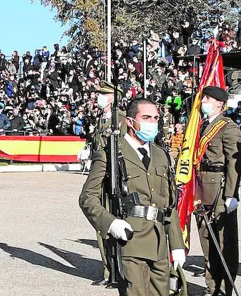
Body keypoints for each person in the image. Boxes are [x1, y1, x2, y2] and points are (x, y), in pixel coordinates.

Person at [78, 98, 185, 296]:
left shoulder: (162, 155)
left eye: (155, 118)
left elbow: (169, 204)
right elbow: (87, 197)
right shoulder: (110, 154)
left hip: (160, 244)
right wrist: (110, 223)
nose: (152, 123)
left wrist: (177, 244)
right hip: (130, 242)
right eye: (145, 118)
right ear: (129, 121)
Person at [193, 86, 241, 296]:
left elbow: (233, 163)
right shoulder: (202, 125)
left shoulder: (227, 127)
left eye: (206, 99)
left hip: (219, 188)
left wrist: (232, 194)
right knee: (206, 240)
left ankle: (224, 289)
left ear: (219, 104)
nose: (202, 101)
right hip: (201, 186)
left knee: (223, 242)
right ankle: (211, 286)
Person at [89, 81, 127, 286]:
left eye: (102, 94)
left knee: (116, 221)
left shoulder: (120, 119)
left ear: (112, 97)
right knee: (101, 222)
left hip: (115, 179)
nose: (98, 98)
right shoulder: (101, 120)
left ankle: (121, 270)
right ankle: (108, 271)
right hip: (101, 179)